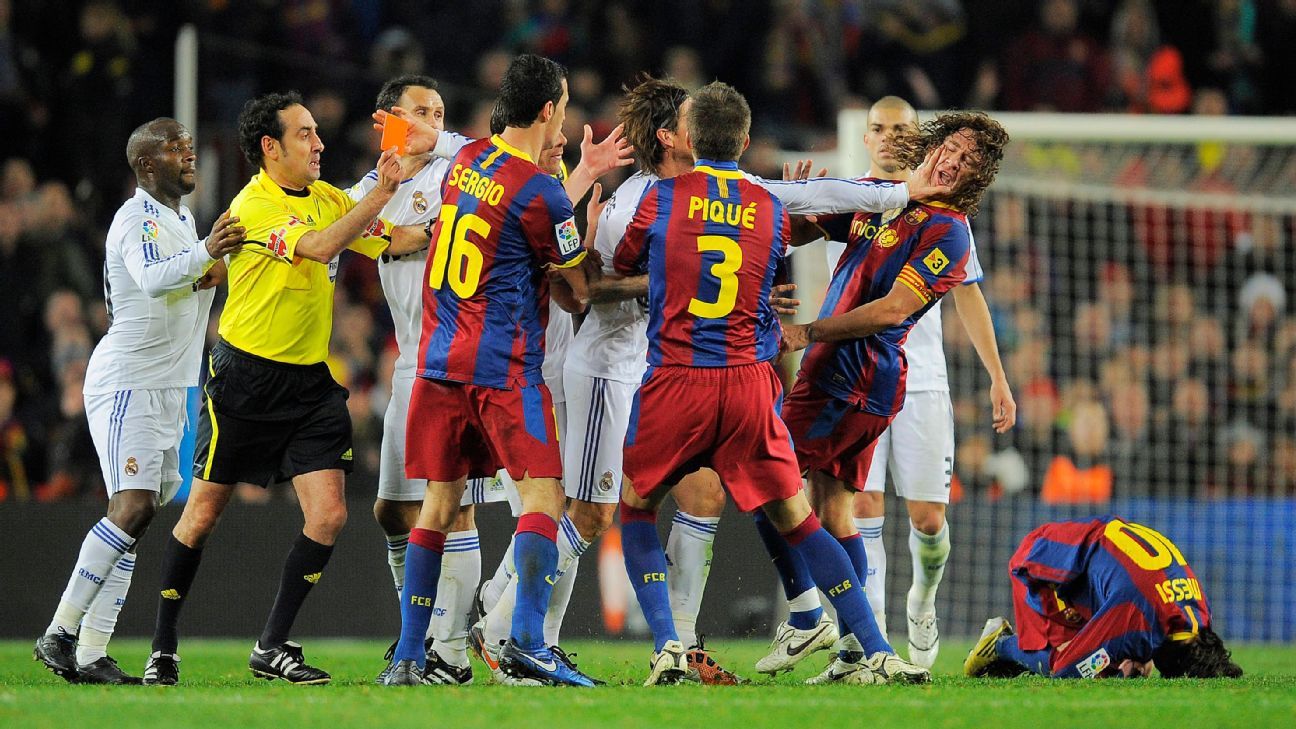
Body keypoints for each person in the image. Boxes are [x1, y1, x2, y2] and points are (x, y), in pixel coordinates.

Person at [613, 81, 931, 687]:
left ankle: (668, 647)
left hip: (678, 379)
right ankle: (877, 649)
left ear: (688, 138)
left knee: (636, 506)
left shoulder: (659, 198)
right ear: (747, 141)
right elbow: (802, 223)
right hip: (749, 386)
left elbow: (629, 260)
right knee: (798, 518)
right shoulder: (768, 206)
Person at [143, 91, 429, 686]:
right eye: (305, 134)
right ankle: (163, 644)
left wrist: (465, 217)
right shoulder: (253, 206)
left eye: (318, 132)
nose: (319, 143)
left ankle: (272, 645)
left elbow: (394, 238)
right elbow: (324, 246)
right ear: (270, 148)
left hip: (307, 385)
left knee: (327, 517)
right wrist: (379, 189)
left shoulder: (326, 198)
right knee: (201, 516)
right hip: (245, 380)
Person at [758, 97, 1016, 675]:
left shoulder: (950, 228)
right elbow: (794, 232)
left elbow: (902, 307)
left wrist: (999, 377)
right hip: (850, 371)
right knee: (845, 507)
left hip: (873, 373)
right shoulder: (870, 197)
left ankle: (820, 617)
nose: (950, 159)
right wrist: (792, 202)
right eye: (949, 147)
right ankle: (861, 647)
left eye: (966, 157)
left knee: (774, 482)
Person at [383, 54, 594, 688]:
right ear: (551, 109)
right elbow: (576, 291)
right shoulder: (541, 191)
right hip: (503, 364)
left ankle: (409, 656)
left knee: (438, 506)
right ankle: (528, 641)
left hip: (439, 359)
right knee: (543, 496)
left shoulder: (465, 163)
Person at [33, 118, 244, 685]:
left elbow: (193, 284)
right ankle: (60, 631)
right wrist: (205, 255)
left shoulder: (178, 219)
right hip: (127, 381)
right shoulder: (136, 218)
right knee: (133, 506)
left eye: (189, 146)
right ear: (147, 164)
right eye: (176, 149)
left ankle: (91, 653)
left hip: (172, 386)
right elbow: (153, 281)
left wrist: (226, 266)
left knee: (137, 518)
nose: (189, 155)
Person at [965, 516, 1243, 679]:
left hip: (1083, 560)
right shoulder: (1137, 618)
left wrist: (1134, 653)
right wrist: (1127, 654)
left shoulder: (1199, 612)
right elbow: (1068, 668)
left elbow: (1150, 614)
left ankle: (1017, 658)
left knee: (1110, 663)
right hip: (1042, 564)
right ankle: (1000, 644)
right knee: (1067, 667)